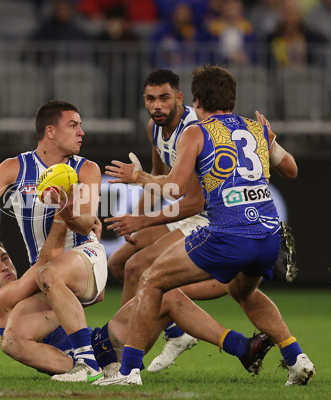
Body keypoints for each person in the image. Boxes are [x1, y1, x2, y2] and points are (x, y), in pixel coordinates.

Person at [99, 65, 315, 386]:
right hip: (270, 235)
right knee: (245, 293)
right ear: (233, 98)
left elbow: (173, 189)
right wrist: (271, 139)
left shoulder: (196, 132)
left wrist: (138, 177)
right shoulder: (255, 128)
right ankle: (296, 358)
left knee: (152, 278)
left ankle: (129, 371)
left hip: (227, 234)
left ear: (195, 100)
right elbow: (292, 169)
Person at [0, 222, 275, 379]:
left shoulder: (36, 288)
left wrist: (91, 246)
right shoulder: (3, 300)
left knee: (165, 292)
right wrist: (64, 214)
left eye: (5, 258)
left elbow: (97, 294)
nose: (4, 266)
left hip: (104, 341)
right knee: (9, 342)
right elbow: (45, 262)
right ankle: (237, 276)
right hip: (87, 361)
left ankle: (242, 348)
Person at [0, 100, 107, 382]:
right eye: (73, 125)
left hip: (82, 258)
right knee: (13, 340)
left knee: (48, 272)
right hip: (44, 272)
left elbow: (88, 221)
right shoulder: (15, 168)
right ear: (50, 131)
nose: (81, 132)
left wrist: (67, 214)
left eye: (81, 125)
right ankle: (89, 365)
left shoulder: (87, 169)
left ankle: (86, 362)